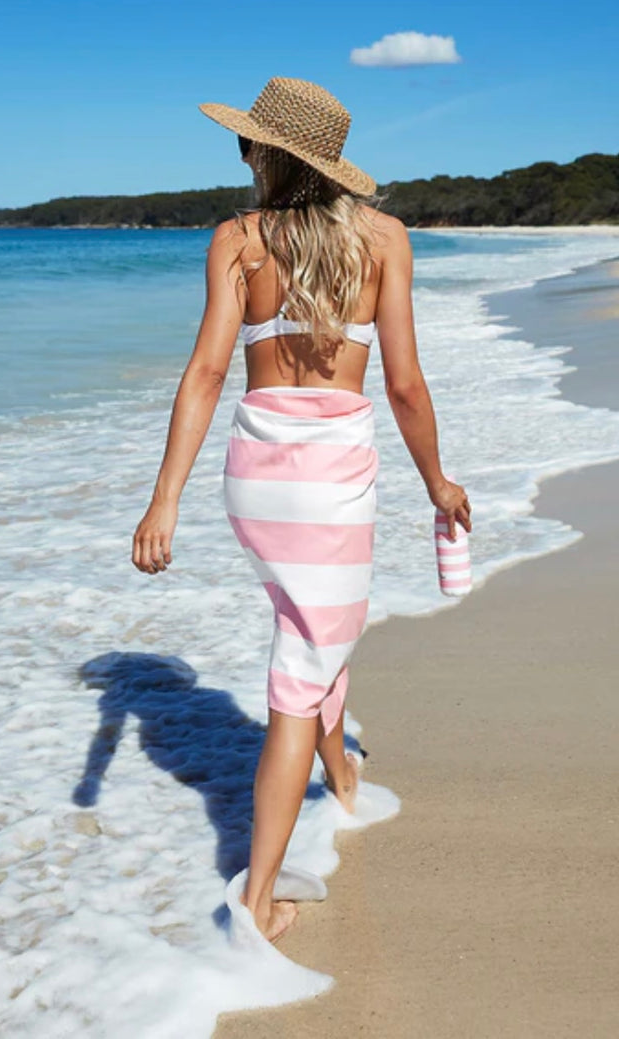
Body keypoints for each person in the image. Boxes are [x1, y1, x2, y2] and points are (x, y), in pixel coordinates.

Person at [132, 77, 471, 944]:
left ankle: (345, 780)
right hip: (330, 485)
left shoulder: (237, 240)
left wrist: (164, 498)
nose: (241, 157)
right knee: (302, 668)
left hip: (255, 480)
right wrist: (438, 481)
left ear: (266, 153)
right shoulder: (385, 238)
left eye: (246, 145)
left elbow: (207, 373)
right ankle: (254, 906)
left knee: (309, 630)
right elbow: (402, 383)